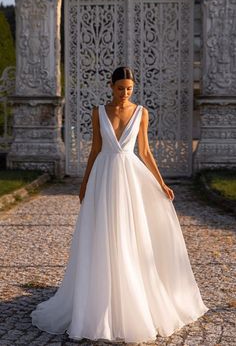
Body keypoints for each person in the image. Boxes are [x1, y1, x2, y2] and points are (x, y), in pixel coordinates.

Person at [30, 66, 209, 343]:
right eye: (120, 88)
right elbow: (95, 150)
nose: (125, 94)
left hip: (129, 177)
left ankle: (131, 296)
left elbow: (145, 151)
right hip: (104, 176)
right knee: (101, 234)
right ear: (111, 86)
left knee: (129, 234)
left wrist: (161, 183)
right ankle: (99, 297)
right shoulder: (98, 112)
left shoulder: (141, 112)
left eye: (129, 89)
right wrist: (85, 183)